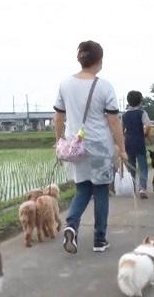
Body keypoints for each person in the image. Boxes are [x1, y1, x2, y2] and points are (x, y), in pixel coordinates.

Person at [54, 40, 126, 254]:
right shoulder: (104, 86)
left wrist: (59, 141)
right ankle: (99, 240)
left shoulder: (65, 84)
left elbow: (58, 117)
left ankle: (71, 225)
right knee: (101, 191)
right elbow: (114, 121)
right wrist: (122, 148)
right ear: (100, 60)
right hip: (100, 147)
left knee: (83, 189)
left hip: (76, 147)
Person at [122, 90, 152, 199]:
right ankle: (142, 188)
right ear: (140, 101)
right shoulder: (142, 113)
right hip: (139, 141)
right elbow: (148, 125)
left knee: (131, 166)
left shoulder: (124, 115)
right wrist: (147, 135)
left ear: (128, 102)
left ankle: (132, 188)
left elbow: (122, 130)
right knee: (143, 166)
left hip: (128, 142)